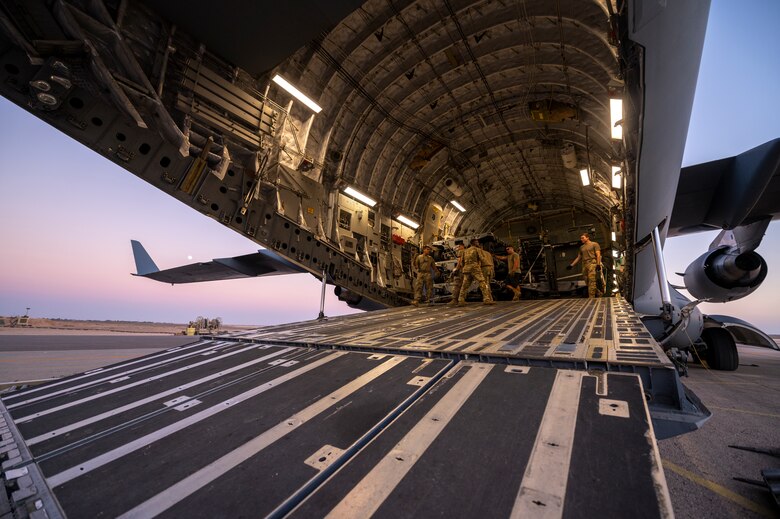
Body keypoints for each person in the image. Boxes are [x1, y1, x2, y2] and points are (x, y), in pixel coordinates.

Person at [455, 238, 495, 306]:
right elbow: (482, 258)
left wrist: (465, 268)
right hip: (475, 268)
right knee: (482, 282)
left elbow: (462, 262)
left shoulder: (465, 251)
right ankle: (486, 299)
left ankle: (461, 300)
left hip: (466, 269)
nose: (478, 243)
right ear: (475, 243)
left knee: (464, 285)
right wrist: (488, 264)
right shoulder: (477, 249)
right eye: (477, 242)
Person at [567, 233, 602, 298]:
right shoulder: (582, 247)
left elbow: (598, 255)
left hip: (592, 263)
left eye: (583, 238)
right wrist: (571, 265)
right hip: (584, 264)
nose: (581, 239)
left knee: (592, 281)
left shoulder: (594, 244)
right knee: (587, 282)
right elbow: (578, 257)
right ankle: (598, 293)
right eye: (581, 238)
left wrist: (598, 264)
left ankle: (591, 298)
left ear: (587, 237)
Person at [447, 240, 466, 306]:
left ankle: (454, 300)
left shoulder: (461, 251)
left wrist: (456, 269)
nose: (457, 248)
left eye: (458, 246)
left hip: (460, 270)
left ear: (461, 246)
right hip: (465, 271)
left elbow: (459, 261)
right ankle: (462, 300)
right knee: (463, 286)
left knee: (456, 284)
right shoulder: (467, 252)